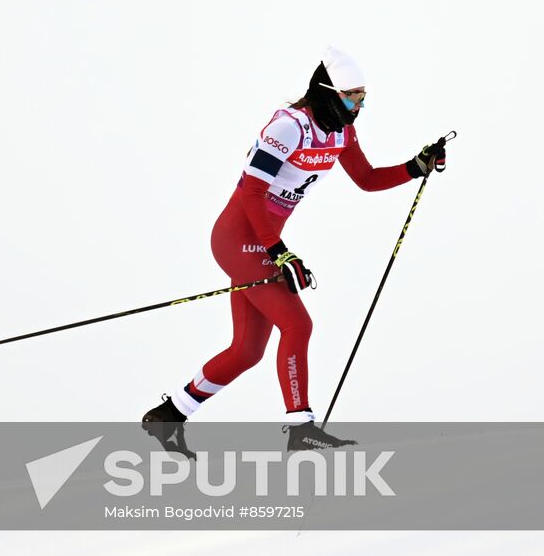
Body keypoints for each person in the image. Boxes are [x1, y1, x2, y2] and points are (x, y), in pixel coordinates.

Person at [142, 48, 447, 452]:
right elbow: (252, 192)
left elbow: (367, 178)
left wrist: (415, 167)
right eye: (350, 96)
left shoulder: (341, 133)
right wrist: (280, 251)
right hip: (238, 237)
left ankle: (169, 416)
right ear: (326, 93)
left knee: (247, 350)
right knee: (297, 324)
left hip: (264, 241)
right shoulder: (289, 127)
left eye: (363, 96)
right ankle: (301, 428)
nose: (359, 105)